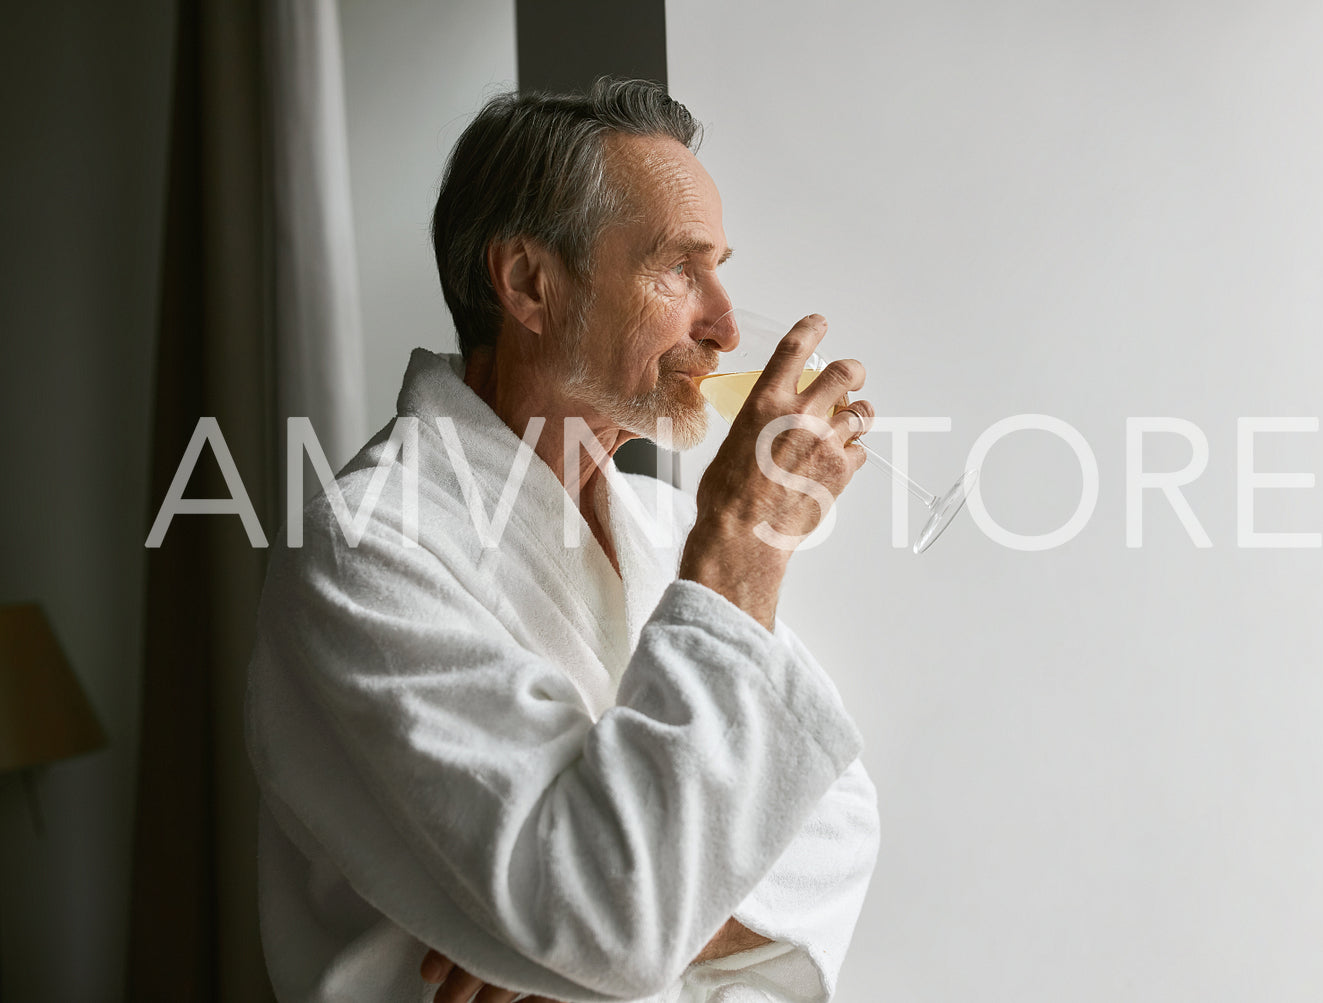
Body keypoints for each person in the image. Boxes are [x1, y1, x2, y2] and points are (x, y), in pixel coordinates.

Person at [245, 78, 880, 1002]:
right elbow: (610, 919)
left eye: (720, 268)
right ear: (530, 284)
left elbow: (837, 822)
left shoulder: (663, 524)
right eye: (677, 269)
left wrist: (566, 951)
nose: (725, 325)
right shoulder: (368, 548)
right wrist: (746, 538)